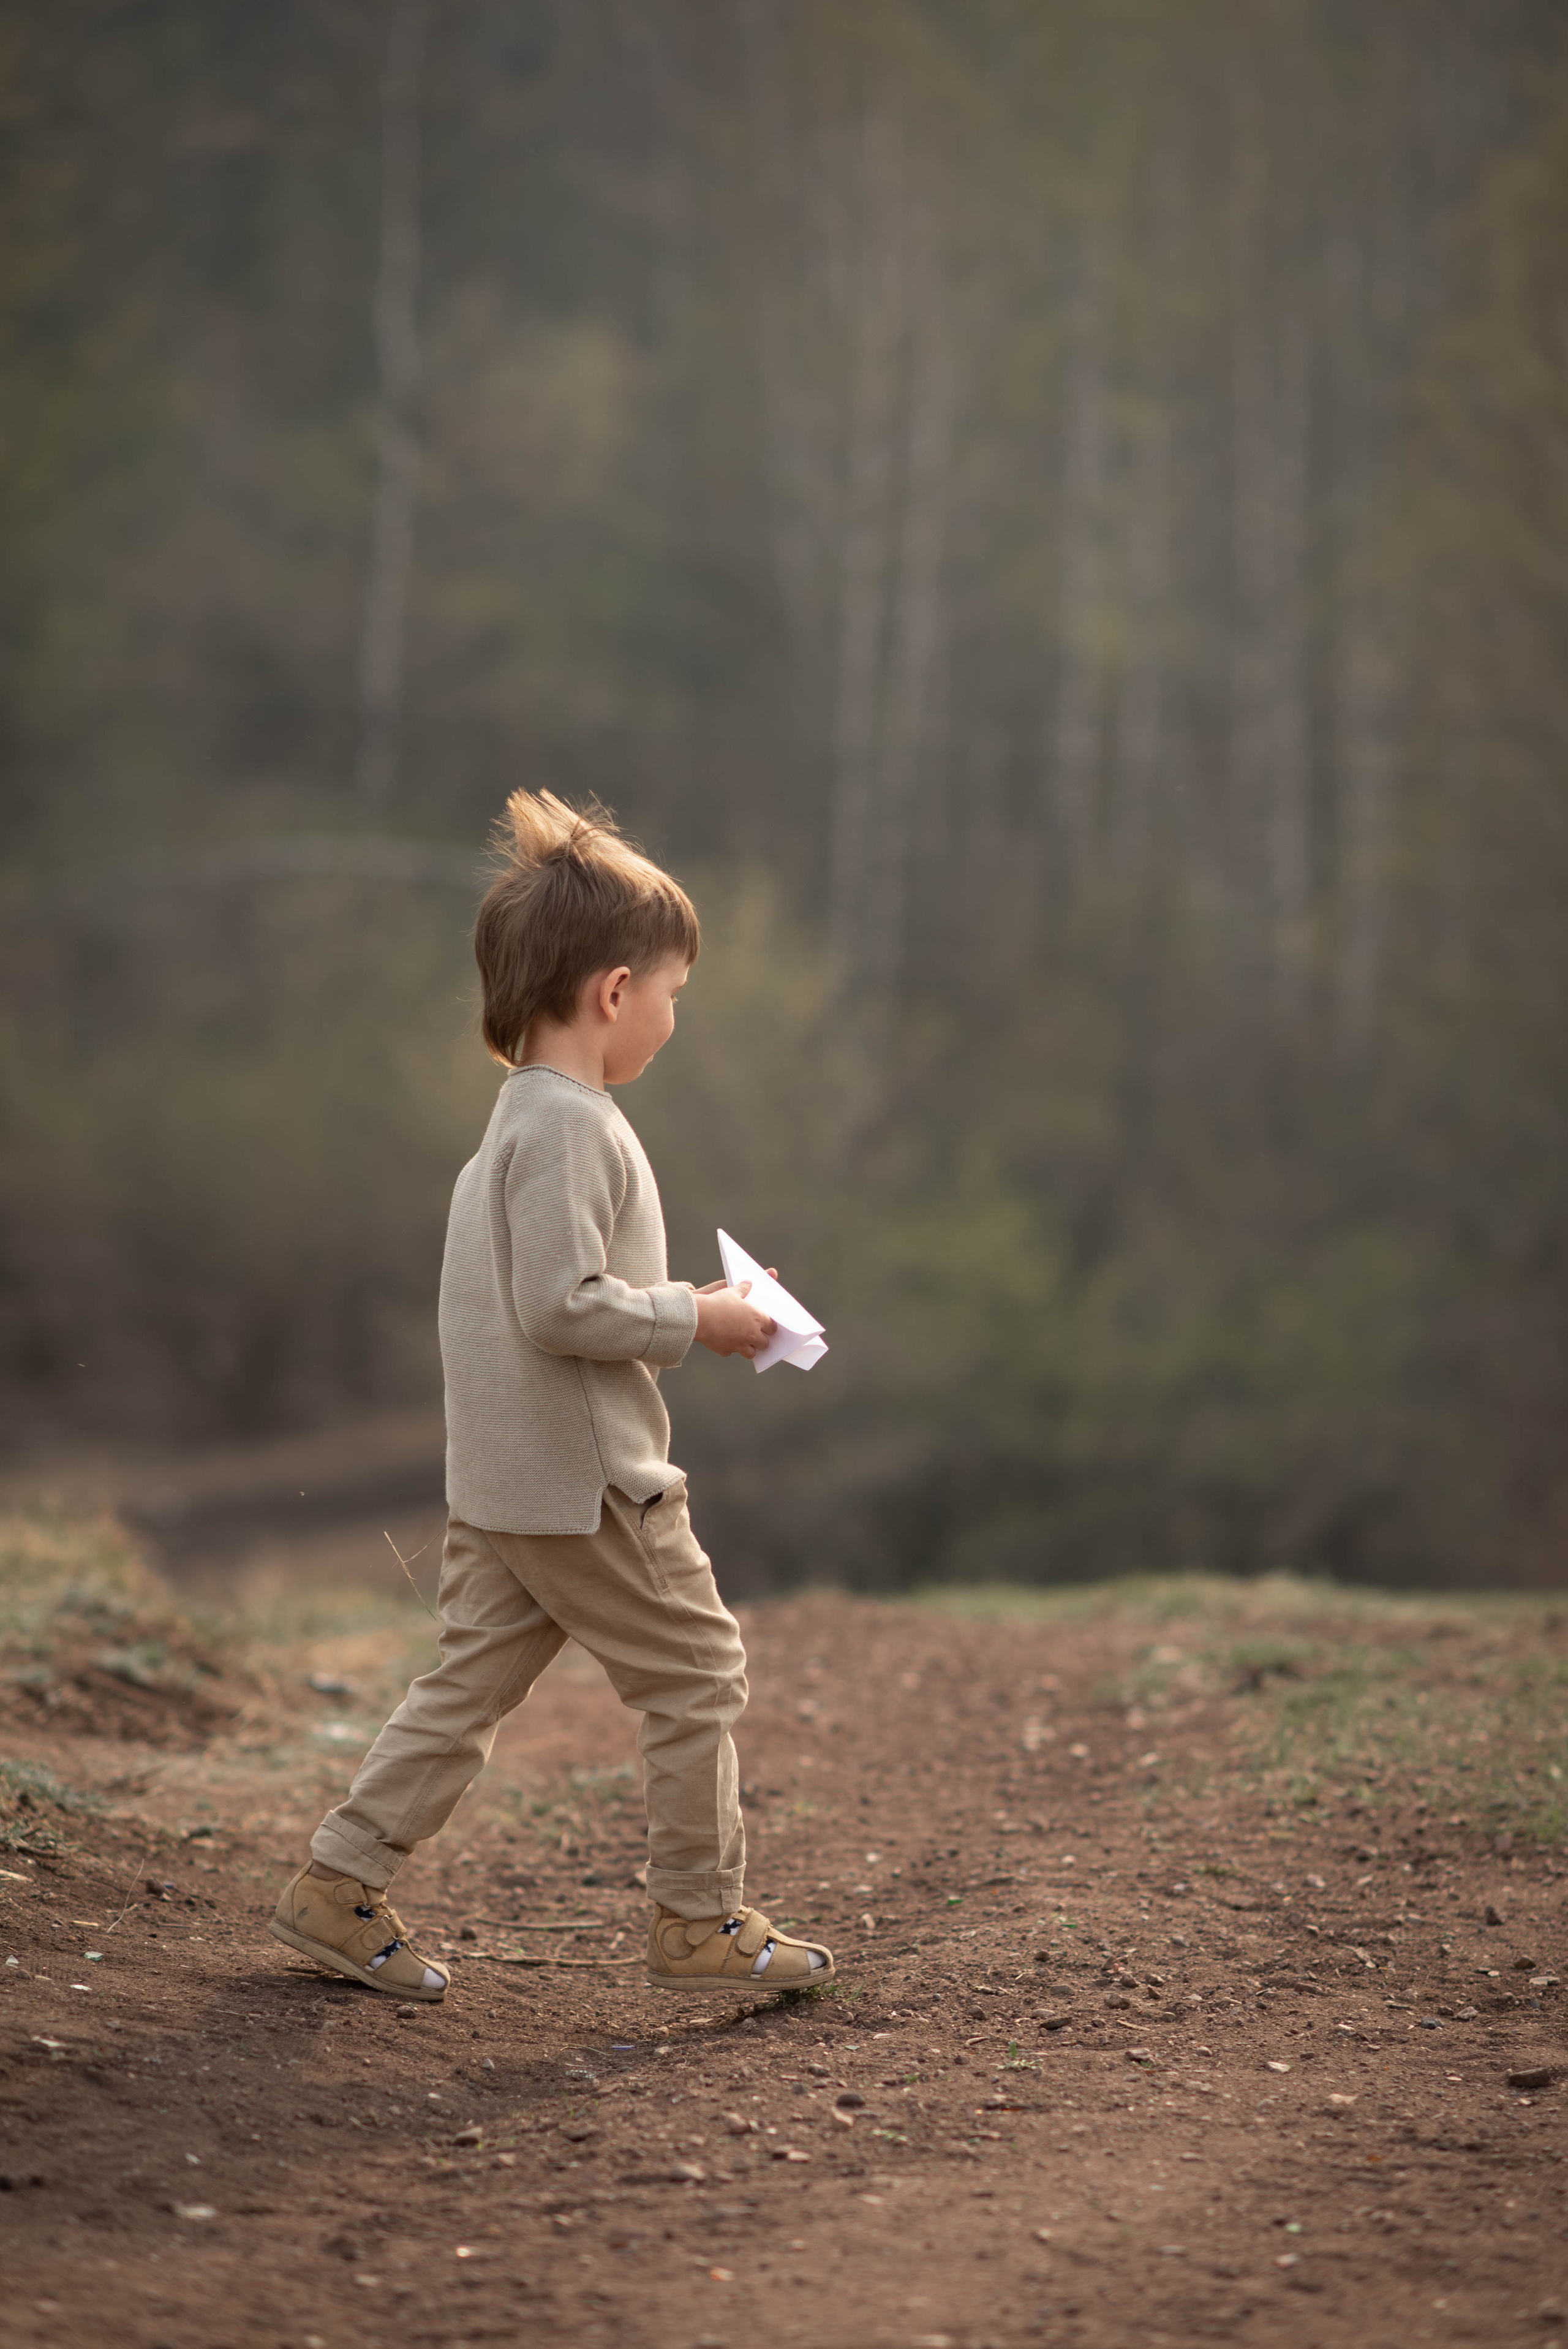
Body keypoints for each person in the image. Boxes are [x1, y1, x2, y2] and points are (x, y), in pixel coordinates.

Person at [268, 792, 834, 2002]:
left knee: (465, 1687)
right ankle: (697, 1919)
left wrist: (702, 1304)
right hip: (588, 1487)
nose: (673, 1022)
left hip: (507, 1482)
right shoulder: (574, 1126)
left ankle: (336, 1881)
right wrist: (697, 1318)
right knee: (697, 1675)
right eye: (673, 996)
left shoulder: (517, 1126)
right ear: (613, 992)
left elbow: (557, 1297)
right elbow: (561, 1309)